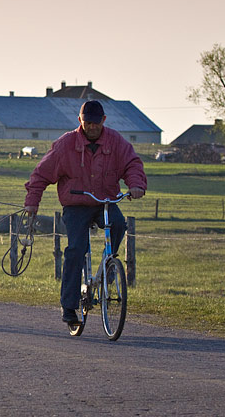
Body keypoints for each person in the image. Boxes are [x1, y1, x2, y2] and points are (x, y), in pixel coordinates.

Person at [24, 100, 147, 325]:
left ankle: (109, 267)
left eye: (96, 123)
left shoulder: (116, 142)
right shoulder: (66, 144)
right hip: (76, 204)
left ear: (104, 121)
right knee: (76, 250)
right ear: (80, 120)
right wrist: (32, 202)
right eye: (87, 122)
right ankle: (69, 306)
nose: (92, 127)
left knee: (119, 224)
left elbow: (132, 164)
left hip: (105, 202)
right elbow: (41, 174)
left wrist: (137, 185)